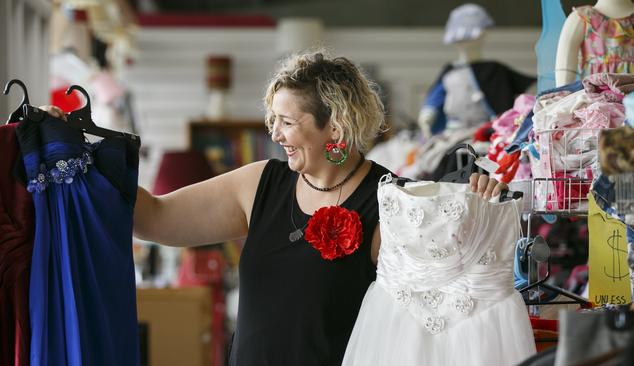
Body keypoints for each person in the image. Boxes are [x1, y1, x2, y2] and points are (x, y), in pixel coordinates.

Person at [41, 50, 507, 365]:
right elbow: (152, 218)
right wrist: (75, 148)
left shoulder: (392, 202)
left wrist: (475, 203)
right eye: (273, 121)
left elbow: (439, 306)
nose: (276, 134)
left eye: (287, 121)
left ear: (335, 127)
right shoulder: (259, 183)